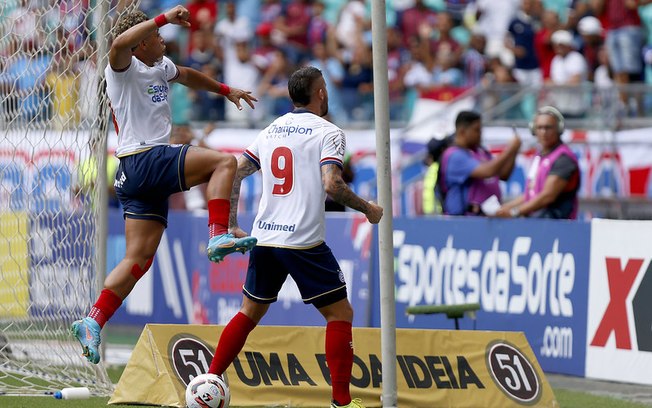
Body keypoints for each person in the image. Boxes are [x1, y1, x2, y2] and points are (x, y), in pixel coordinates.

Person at [71, 5, 259, 365]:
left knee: (137, 260)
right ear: (141, 42)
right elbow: (118, 42)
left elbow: (186, 74)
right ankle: (218, 232)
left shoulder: (160, 66)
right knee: (224, 162)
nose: (163, 39)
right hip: (145, 157)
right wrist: (161, 19)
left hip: (135, 175)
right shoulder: (122, 67)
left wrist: (226, 89)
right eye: (157, 37)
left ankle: (93, 320)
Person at [206, 66, 383, 408]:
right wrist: (367, 209)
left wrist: (231, 223)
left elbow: (234, 172)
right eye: (326, 88)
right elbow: (332, 184)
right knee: (340, 314)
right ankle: (342, 403)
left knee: (248, 313)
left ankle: (209, 382)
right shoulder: (329, 132)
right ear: (320, 94)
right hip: (303, 242)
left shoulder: (271, 130)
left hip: (265, 238)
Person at [496, 106, 580, 219]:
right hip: (539, 223)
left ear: (559, 129)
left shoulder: (563, 159)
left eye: (548, 128)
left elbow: (547, 196)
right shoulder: (540, 156)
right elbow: (531, 193)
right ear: (533, 130)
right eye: (539, 127)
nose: (543, 132)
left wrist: (515, 212)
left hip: (557, 226)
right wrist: (506, 208)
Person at [438, 110, 521, 215]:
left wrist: (514, 152)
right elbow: (488, 171)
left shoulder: (480, 151)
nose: (480, 134)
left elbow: (503, 175)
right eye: (476, 130)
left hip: (487, 219)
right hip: (465, 220)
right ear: (462, 132)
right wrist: (510, 148)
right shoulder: (455, 155)